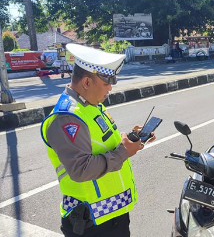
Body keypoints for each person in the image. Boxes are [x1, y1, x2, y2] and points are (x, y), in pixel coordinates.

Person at [40, 43, 155, 237]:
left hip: (111, 215)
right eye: (107, 82)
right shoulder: (66, 117)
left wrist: (130, 139)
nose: (110, 88)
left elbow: (103, 144)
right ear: (86, 82)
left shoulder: (91, 106)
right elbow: (80, 169)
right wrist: (123, 152)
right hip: (90, 223)